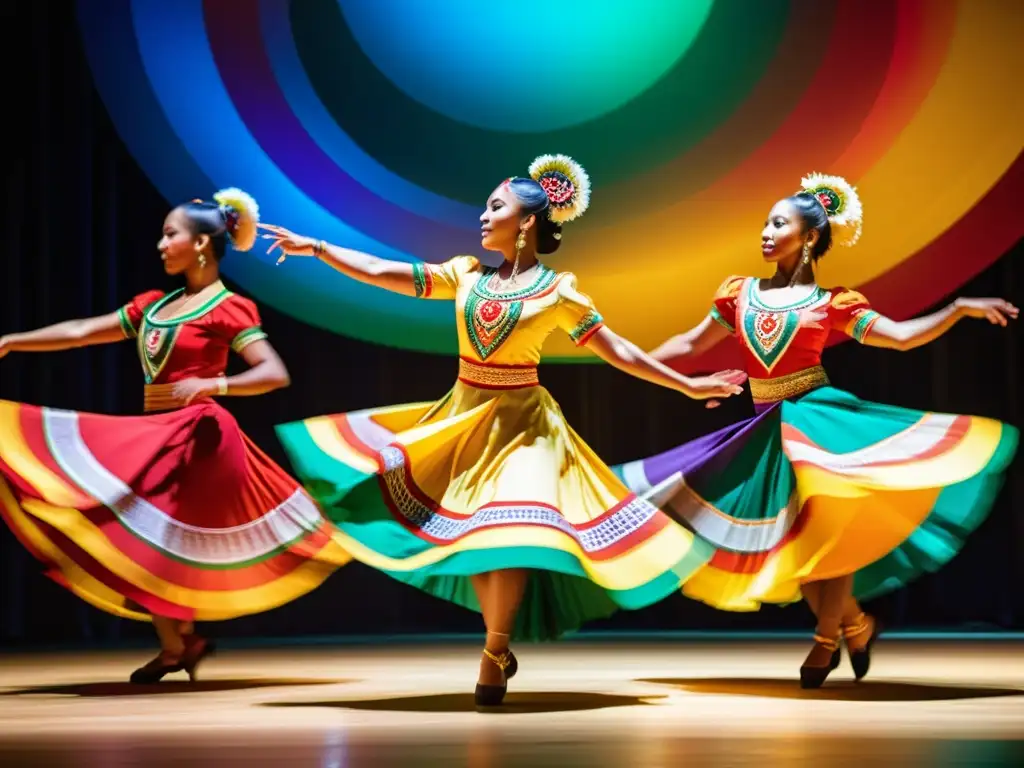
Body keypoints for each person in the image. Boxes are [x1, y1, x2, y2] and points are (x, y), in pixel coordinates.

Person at [259, 154, 746, 706]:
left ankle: (494, 649)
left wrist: (686, 386)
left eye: (496, 207)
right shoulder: (465, 275)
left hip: (525, 427)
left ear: (529, 221)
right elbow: (382, 272)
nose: (484, 217)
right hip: (464, 420)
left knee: (510, 536)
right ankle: (497, 643)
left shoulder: (558, 292)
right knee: (478, 539)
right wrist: (319, 248)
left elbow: (620, 351)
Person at [611, 172, 1019, 688]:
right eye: (765, 221)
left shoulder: (833, 303)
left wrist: (958, 309)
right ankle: (854, 622)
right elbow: (691, 345)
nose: (765, 231)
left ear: (807, 238)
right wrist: (632, 362)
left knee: (826, 534)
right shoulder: (739, 293)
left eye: (778, 223)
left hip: (817, 420)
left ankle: (826, 639)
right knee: (798, 547)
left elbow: (897, 338)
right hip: (766, 430)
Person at [0, 189, 350, 683]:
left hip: (198, 438)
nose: (161, 245)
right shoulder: (155, 307)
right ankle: (179, 644)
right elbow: (81, 331)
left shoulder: (229, 308)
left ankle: (177, 644)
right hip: (157, 433)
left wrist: (215, 383)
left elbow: (274, 373)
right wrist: (12, 342)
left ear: (203, 244)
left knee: (155, 536)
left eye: (171, 234)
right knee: (148, 538)